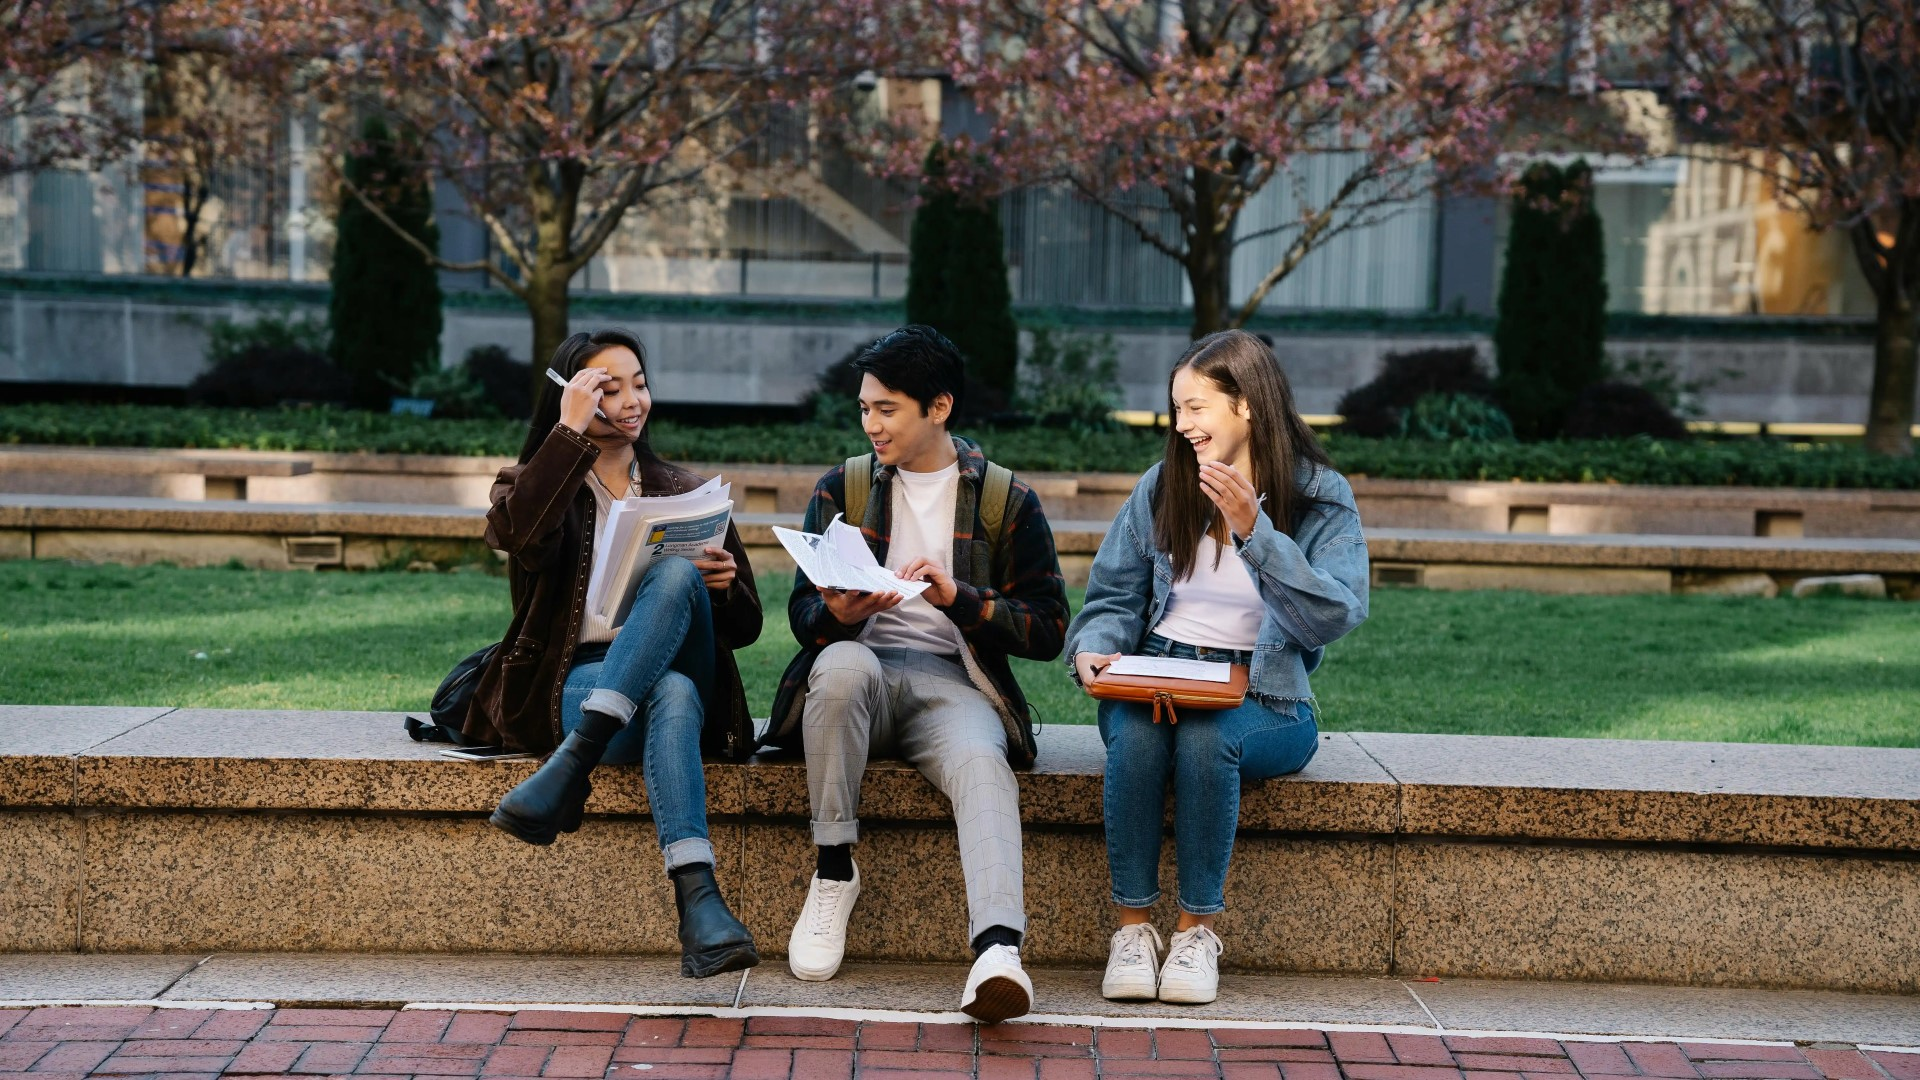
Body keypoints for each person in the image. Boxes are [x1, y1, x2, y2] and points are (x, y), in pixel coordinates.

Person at [762, 325, 1068, 1023]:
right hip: (858, 670)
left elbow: (1050, 628)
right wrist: (839, 612)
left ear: (939, 407)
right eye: (865, 408)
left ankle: (997, 951)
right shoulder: (845, 484)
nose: (871, 424)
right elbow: (801, 615)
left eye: (887, 409)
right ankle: (834, 871)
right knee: (837, 665)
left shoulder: (1004, 500)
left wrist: (960, 598)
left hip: (951, 683)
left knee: (982, 764)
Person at [1065, 329, 1369, 1006]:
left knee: (1208, 738)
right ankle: (1133, 931)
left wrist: (1255, 533)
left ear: (1248, 404)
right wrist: (1095, 647)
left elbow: (1336, 614)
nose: (1184, 425)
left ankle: (1197, 932)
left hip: (1265, 696)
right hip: (1156, 672)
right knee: (1140, 737)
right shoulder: (1164, 484)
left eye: (1197, 406)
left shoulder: (1319, 497)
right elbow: (1113, 596)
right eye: (1178, 407)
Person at [465, 328, 763, 979]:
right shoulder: (532, 486)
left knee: (680, 580)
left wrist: (723, 587)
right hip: (573, 682)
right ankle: (700, 902)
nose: (633, 400)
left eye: (640, 382)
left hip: (674, 665)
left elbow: (745, 629)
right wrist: (566, 437)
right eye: (609, 387)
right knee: (673, 695)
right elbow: (519, 540)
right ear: (574, 397)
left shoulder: (684, 489)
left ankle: (572, 770)